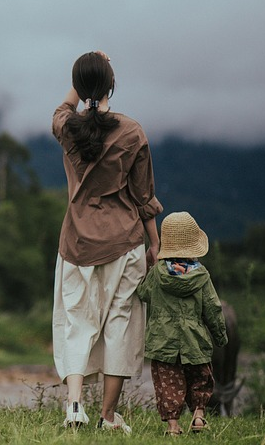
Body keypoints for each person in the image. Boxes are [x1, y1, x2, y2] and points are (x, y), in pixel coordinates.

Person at [52, 50, 163, 433]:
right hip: (124, 242)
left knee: (77, 323)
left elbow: (64, 106)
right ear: (113, 85)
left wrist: (84, 81)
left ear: (81, 89)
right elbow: (144, 197)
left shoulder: (67, 128)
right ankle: (108, 416)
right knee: (121, 325)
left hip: (77, 243)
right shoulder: (132, 132)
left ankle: (74, 408)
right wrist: (155, 245)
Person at [137, 211, 228, 436]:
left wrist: (147, 271)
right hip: (195, 342)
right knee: (200, 379)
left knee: (169, 384)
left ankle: (173, 426)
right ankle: (198, 416)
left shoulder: (157, 274)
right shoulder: (202, 276)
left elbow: (142, 293)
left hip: (163, 343)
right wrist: (220, 337)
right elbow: (213, 308)